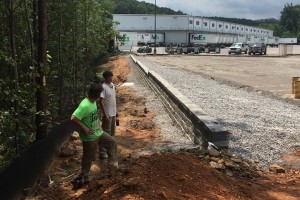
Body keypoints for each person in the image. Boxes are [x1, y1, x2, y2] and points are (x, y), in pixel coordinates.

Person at [71, 83, 118, 184]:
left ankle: (113, 169)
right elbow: (74, 117)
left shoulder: (93, 102)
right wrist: (84, 128)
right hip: (90, 137)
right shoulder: (84, 105)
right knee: (88, 158)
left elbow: (94, 115)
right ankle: (84, 176)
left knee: (112, 143)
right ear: (96, 94)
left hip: (98, 132)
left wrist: (99, 123)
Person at [100, 70, 118, 137]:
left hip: (113, 113)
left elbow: (113, 99)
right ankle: (103, 147)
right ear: (105, 78)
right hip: (107, 114)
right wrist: (105, 115)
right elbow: (101, 101)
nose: (111, 79)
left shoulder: (112, 85)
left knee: (112, 132)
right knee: (106, 132)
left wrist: (116, 112)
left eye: (111, 77)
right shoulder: (103, 87)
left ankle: (110, 146)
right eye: (109, 77)